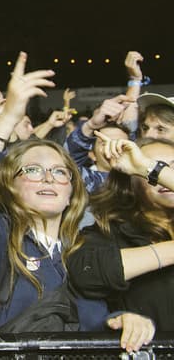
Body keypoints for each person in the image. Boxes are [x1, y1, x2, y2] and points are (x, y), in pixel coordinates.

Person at [0, 53, 154, 353]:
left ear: (73, 191)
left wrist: (122, 321)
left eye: (59, 172)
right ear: (9, 186)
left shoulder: (88, 247)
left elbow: (93, 318)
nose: (48, 178)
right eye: (33, 170)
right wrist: (9, 117)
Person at [68, 134, 174, 333]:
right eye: (153, 167)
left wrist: (150, 169)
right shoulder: (111, 232)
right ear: (130, 180)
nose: (164, 177)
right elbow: (86, 273)